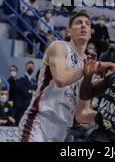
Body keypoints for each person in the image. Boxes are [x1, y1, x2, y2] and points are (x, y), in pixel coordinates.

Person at [18, 11, 95, 142]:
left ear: (90, 33)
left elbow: (81, 114)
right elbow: (60, 79)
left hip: (62, 130)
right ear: (68, 32)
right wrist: (84, 71)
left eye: (87, 24)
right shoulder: (60, 46)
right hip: (39, 121)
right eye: (79, 23)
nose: (83, 26)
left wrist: (103, 115)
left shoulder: (89, 64)